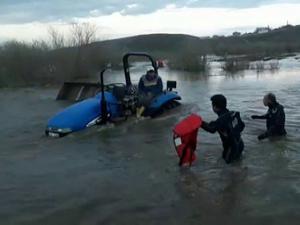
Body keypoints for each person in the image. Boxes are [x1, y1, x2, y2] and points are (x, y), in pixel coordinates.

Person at [201, 94, 245, 164]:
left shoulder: (221, 120)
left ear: (214, 107)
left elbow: (211, 129)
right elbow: (242, 126)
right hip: (240, 144)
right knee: (238, 164)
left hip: (231, 149)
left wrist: (199, 122)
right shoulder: (233, 113)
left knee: (227, 170)